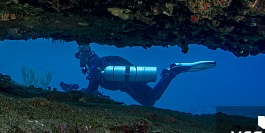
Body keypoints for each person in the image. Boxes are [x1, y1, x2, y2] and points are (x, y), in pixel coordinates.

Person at [61, 45, 216, 107]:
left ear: (82, 55)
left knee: (153, 96)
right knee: (148, 103)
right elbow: (93, 89)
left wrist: (75, 92)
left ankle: (173, 71)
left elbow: (92, 88)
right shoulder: (94, 64)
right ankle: (167, 74)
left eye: (78, 57)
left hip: (127, 82)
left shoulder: (94, 63)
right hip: (126, 85)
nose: (79, 60)